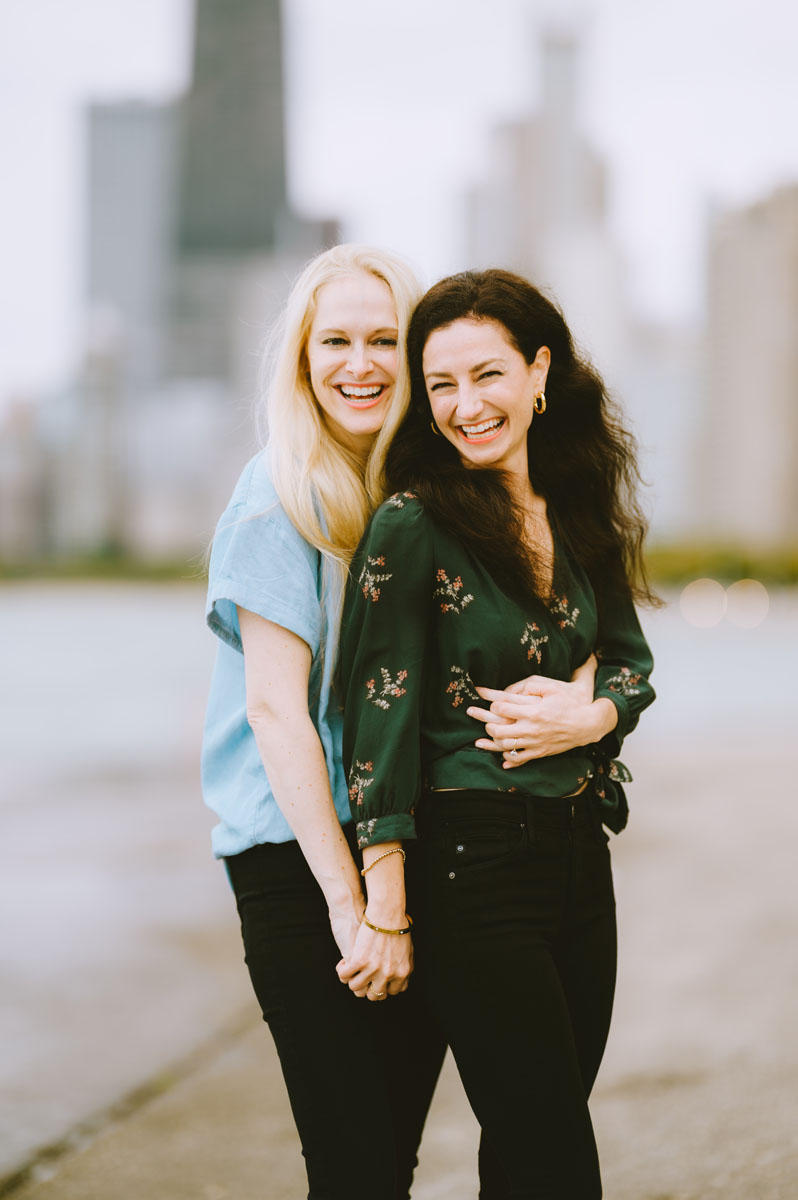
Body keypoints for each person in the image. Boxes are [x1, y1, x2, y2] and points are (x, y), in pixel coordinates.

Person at [337, 268, 656, 1198]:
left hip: (578, 855)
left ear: (539, 371)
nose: (466, 407)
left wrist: (590, 717)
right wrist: (385, 904)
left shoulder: (580, 508)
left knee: (529, 1145)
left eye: (487, 375)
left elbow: (632, 663)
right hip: (467, 864)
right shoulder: (413, 523)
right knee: (554, 1152)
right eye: (441, 386)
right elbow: (376, 715)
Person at [201, 244, 447, 1200]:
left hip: (403, 841)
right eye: (334, 340)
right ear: (302, 361)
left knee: (387, 1158)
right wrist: (354, 911)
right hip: (297, 861)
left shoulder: (421, 497)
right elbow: (276, 712)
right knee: (354, 1162)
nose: (362, 363)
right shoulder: (279, 496)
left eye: (385, 339)